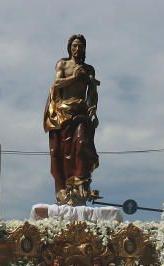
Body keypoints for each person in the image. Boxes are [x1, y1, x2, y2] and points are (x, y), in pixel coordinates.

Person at [44, 33, 99, 204]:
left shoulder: (89, 69)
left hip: (81, 113)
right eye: (74, 45)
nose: (77, 49)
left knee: (82, 144)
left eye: (80, 46)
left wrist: (94, 108)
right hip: (62, 114)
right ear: (70, 47)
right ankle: (64, 190)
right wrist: (75, 77)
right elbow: (56, 84)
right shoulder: (63, 64)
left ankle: (79, 186)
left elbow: (92, 93)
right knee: (60, 152)